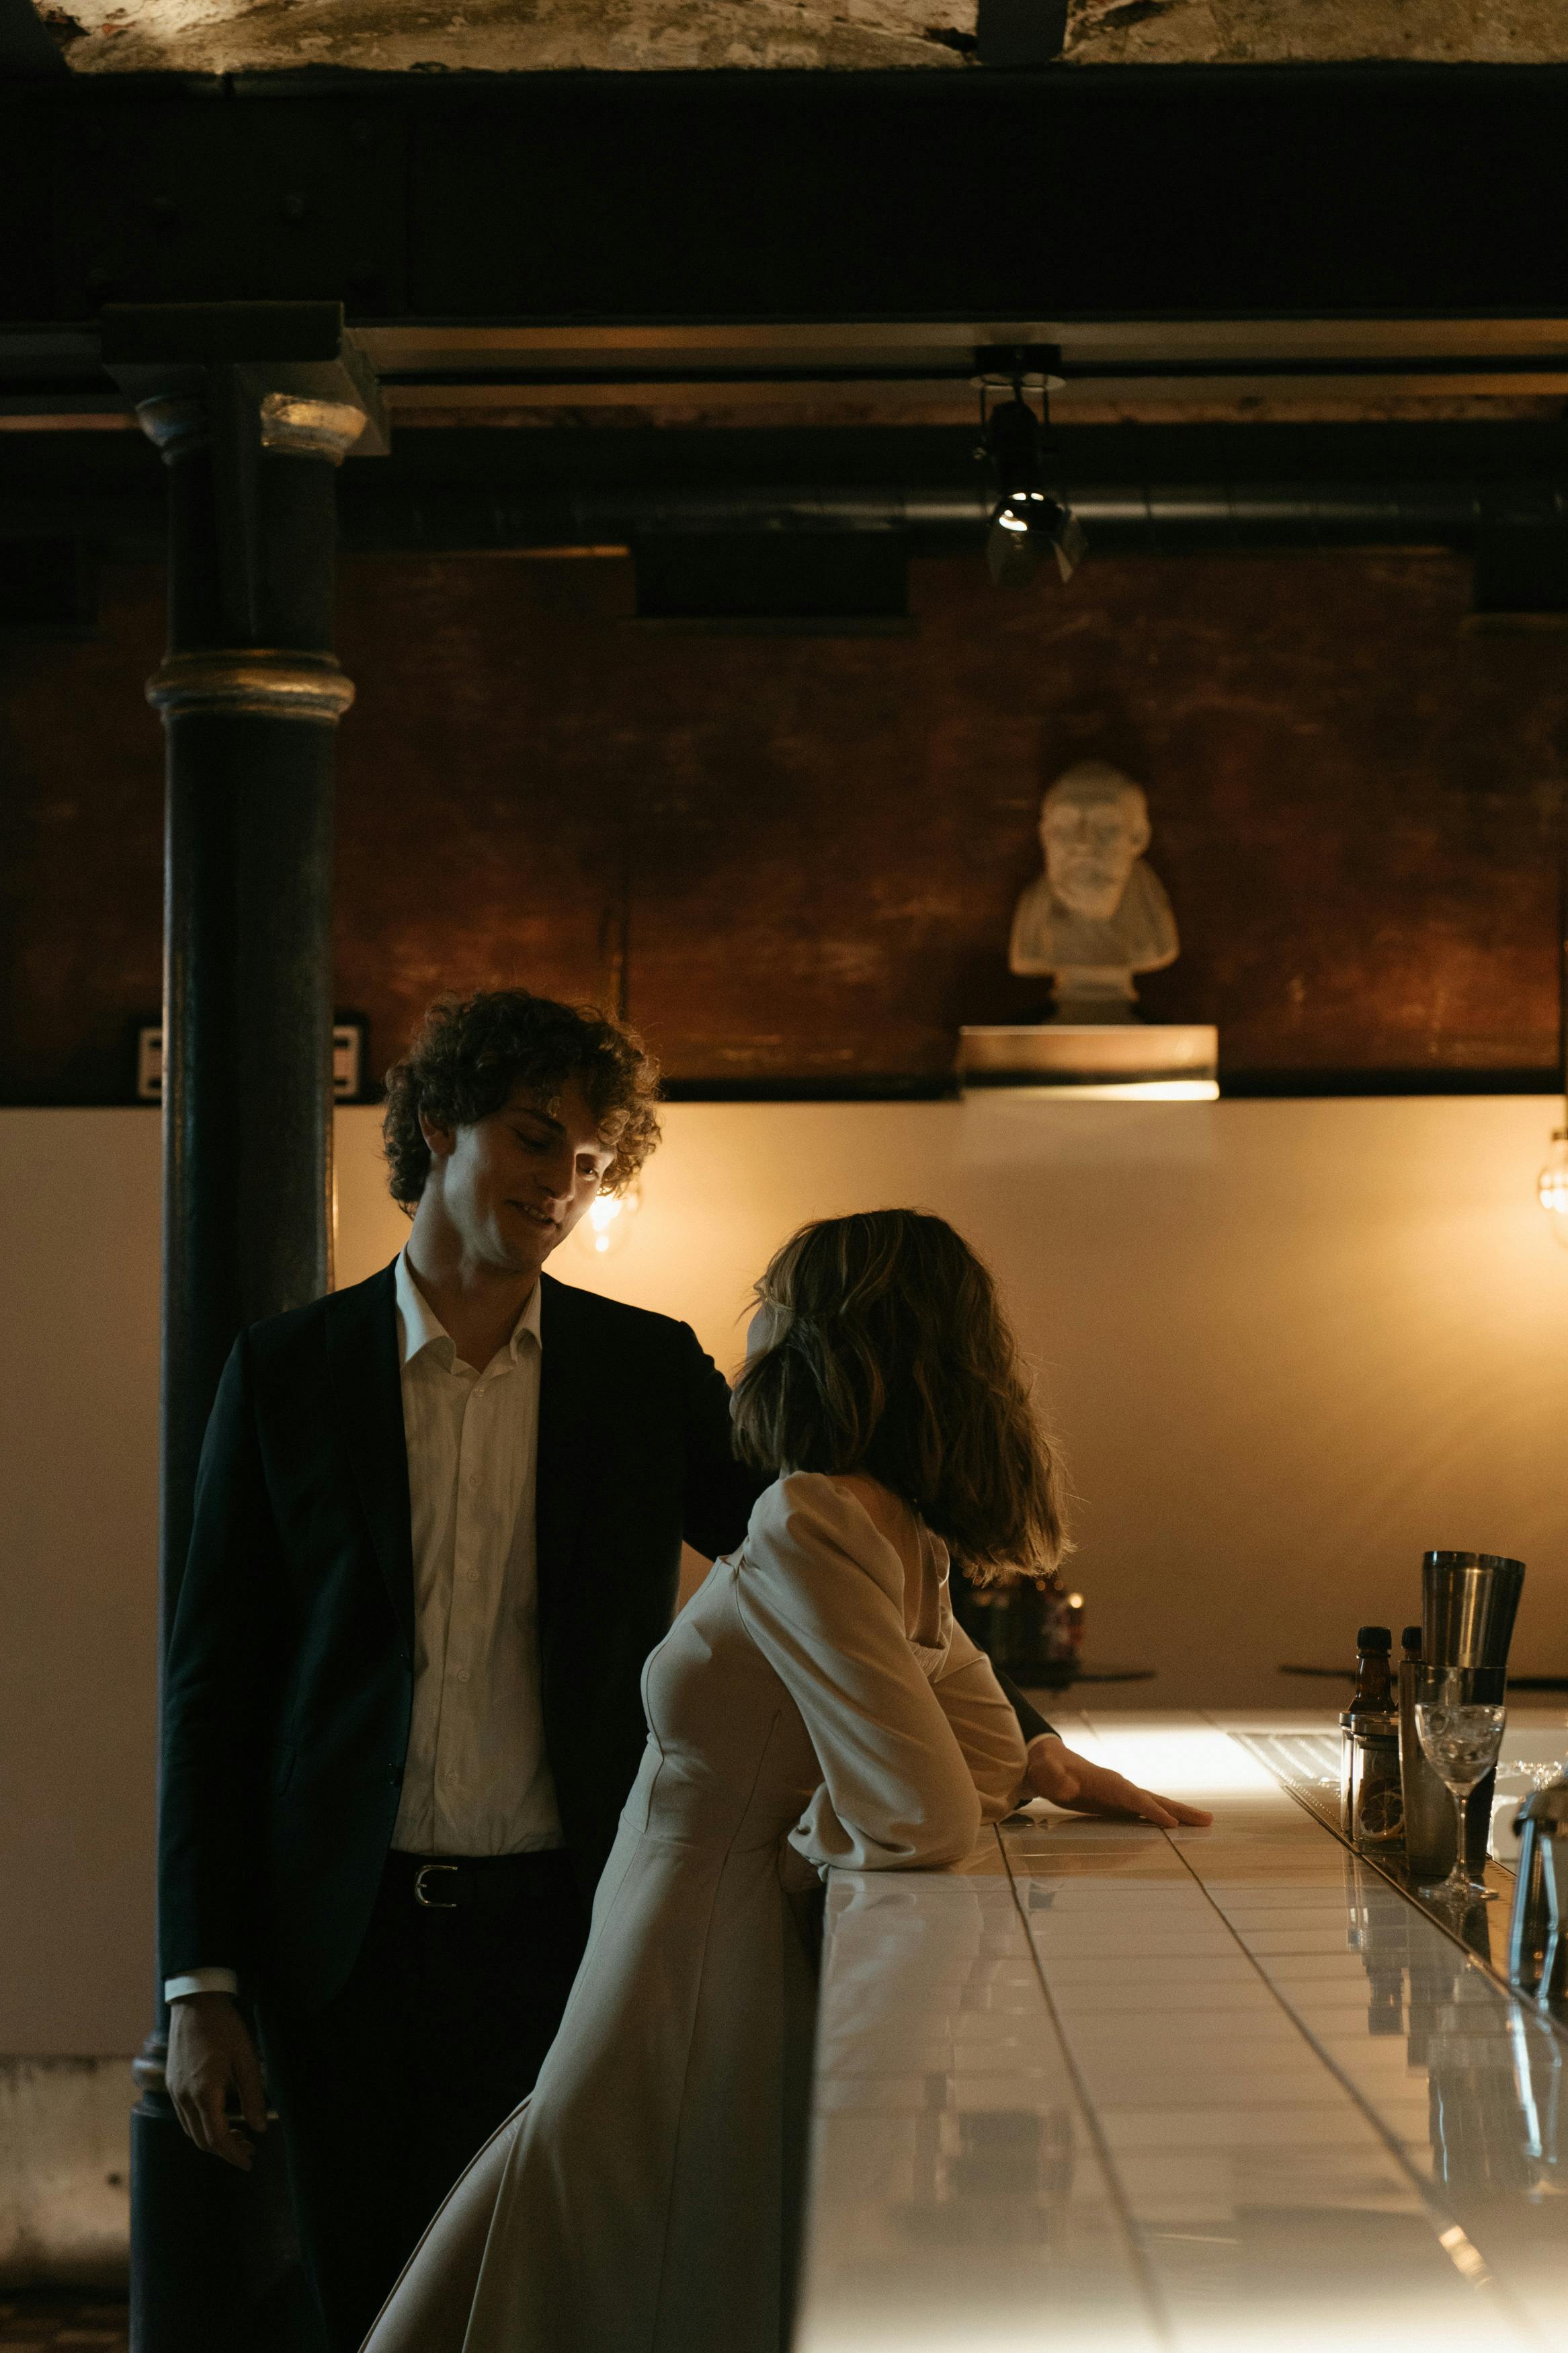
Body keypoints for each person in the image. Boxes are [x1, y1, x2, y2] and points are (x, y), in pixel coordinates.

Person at [160, 991, 1181, 2350]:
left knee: (556, 2295)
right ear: (436, 1124)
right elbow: (215, 1687)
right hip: (344, 1940)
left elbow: (836, 1548)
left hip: (571, 1915)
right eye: (538, 1142)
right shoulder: (288, 1371)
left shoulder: (638, 1369)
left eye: (592, 1164)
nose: (564, 1187)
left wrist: (1029, 1738)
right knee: (383, 2301)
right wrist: (200, 1983)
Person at [362, 1209, 1212, 2353]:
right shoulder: (894, 1528)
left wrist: (802, 1833)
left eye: (775, 1300)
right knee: (663, 2233)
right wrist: (1034, 1763)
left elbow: (923, 1810)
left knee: (622, 2234)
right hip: (704, 1932)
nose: (754, 1321)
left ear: (827, 1337)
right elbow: (982, 1757)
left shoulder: (810, 1515)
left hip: (684, 1935)